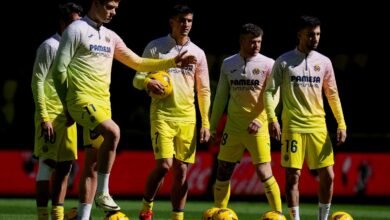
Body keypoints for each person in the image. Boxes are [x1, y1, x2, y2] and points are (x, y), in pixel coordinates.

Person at [51, 0, 197, 218]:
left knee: (91, 163)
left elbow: (138, 62)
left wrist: (171, 63)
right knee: (114, 132)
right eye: (109, 7)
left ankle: (83, 216)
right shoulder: (76, 29)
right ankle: (103, 193)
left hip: (103, 103)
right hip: (80, 98)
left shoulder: (110, 36)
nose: (114, 12)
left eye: (116, 8)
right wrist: (67, 106)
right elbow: (59, 71)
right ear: (96, 3)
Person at [263, 15, 347, 220]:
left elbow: (332, 94)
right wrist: (272, 119)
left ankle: (323, 218)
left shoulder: (324, 62)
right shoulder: (284, 61)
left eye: (318, 34)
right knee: (293, 177)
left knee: (329, 176)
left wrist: (341, 123)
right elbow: (269, 91)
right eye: (310, 34)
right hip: (293, 127)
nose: (315, 38)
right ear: (300, 34)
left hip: (318, 126)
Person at [133, 4, 211, 220]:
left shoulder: (198, 53)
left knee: (182, 172)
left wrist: (205, 122)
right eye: (181, 20)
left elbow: (203, 90)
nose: (186, 25)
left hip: (187, 118)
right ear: (172, 22)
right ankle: (146, 207)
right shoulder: (156, 47)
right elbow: (137, 78)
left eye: (189, 21)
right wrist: (148, 81)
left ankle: (177, 217)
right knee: (165, 166)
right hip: (162, 116)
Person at [209, 23, 282, 214]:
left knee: (264, 171)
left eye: (259, 41)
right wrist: (212, 126)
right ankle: (219, 213)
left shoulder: (268, 64)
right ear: (242, 41)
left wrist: (261, 119)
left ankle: (278, 214)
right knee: (223, 170)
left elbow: (275, 95)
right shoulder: (228, 63)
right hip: (233, 128)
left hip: (258, 126)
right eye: (252, 41)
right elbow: (221, 97)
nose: (256, 45)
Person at [31, 2, 83, 220]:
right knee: (47, 164)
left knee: (65, 167)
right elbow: (37, 82)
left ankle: (57, 215)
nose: (77, 28)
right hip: (51, 114)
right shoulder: (49, 46)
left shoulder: (75, 48)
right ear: (62, 23)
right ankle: (43, 216)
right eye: (73, 23)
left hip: (68, 115)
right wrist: (44, 117)